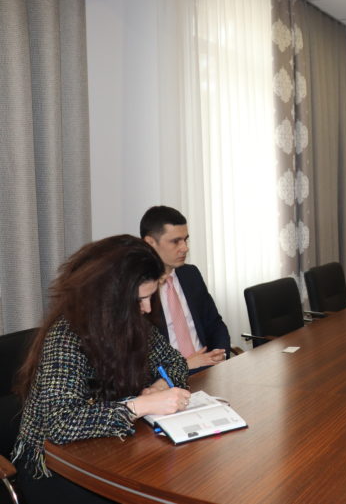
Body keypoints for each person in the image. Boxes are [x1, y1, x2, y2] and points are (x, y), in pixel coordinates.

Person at [12, 235, 191, 504]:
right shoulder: (66, 337)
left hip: (109, 446)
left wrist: (160, 386)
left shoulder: (132, 323)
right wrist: (141, 405)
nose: (147, 308)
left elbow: (175, 362)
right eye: (140, 299)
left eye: (151, 297)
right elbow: (61, 424)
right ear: (111, 297)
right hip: (53, 465)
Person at [140, 206, 230, 372]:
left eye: (185, 240)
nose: (185, 248)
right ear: (150, 243)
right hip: (167, 378)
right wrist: (184, 365)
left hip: (207, 369)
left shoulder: (190, 274)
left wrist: (220, 354)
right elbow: (140, 358)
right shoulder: (140, 291)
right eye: (176, 241)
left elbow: (215, 324)